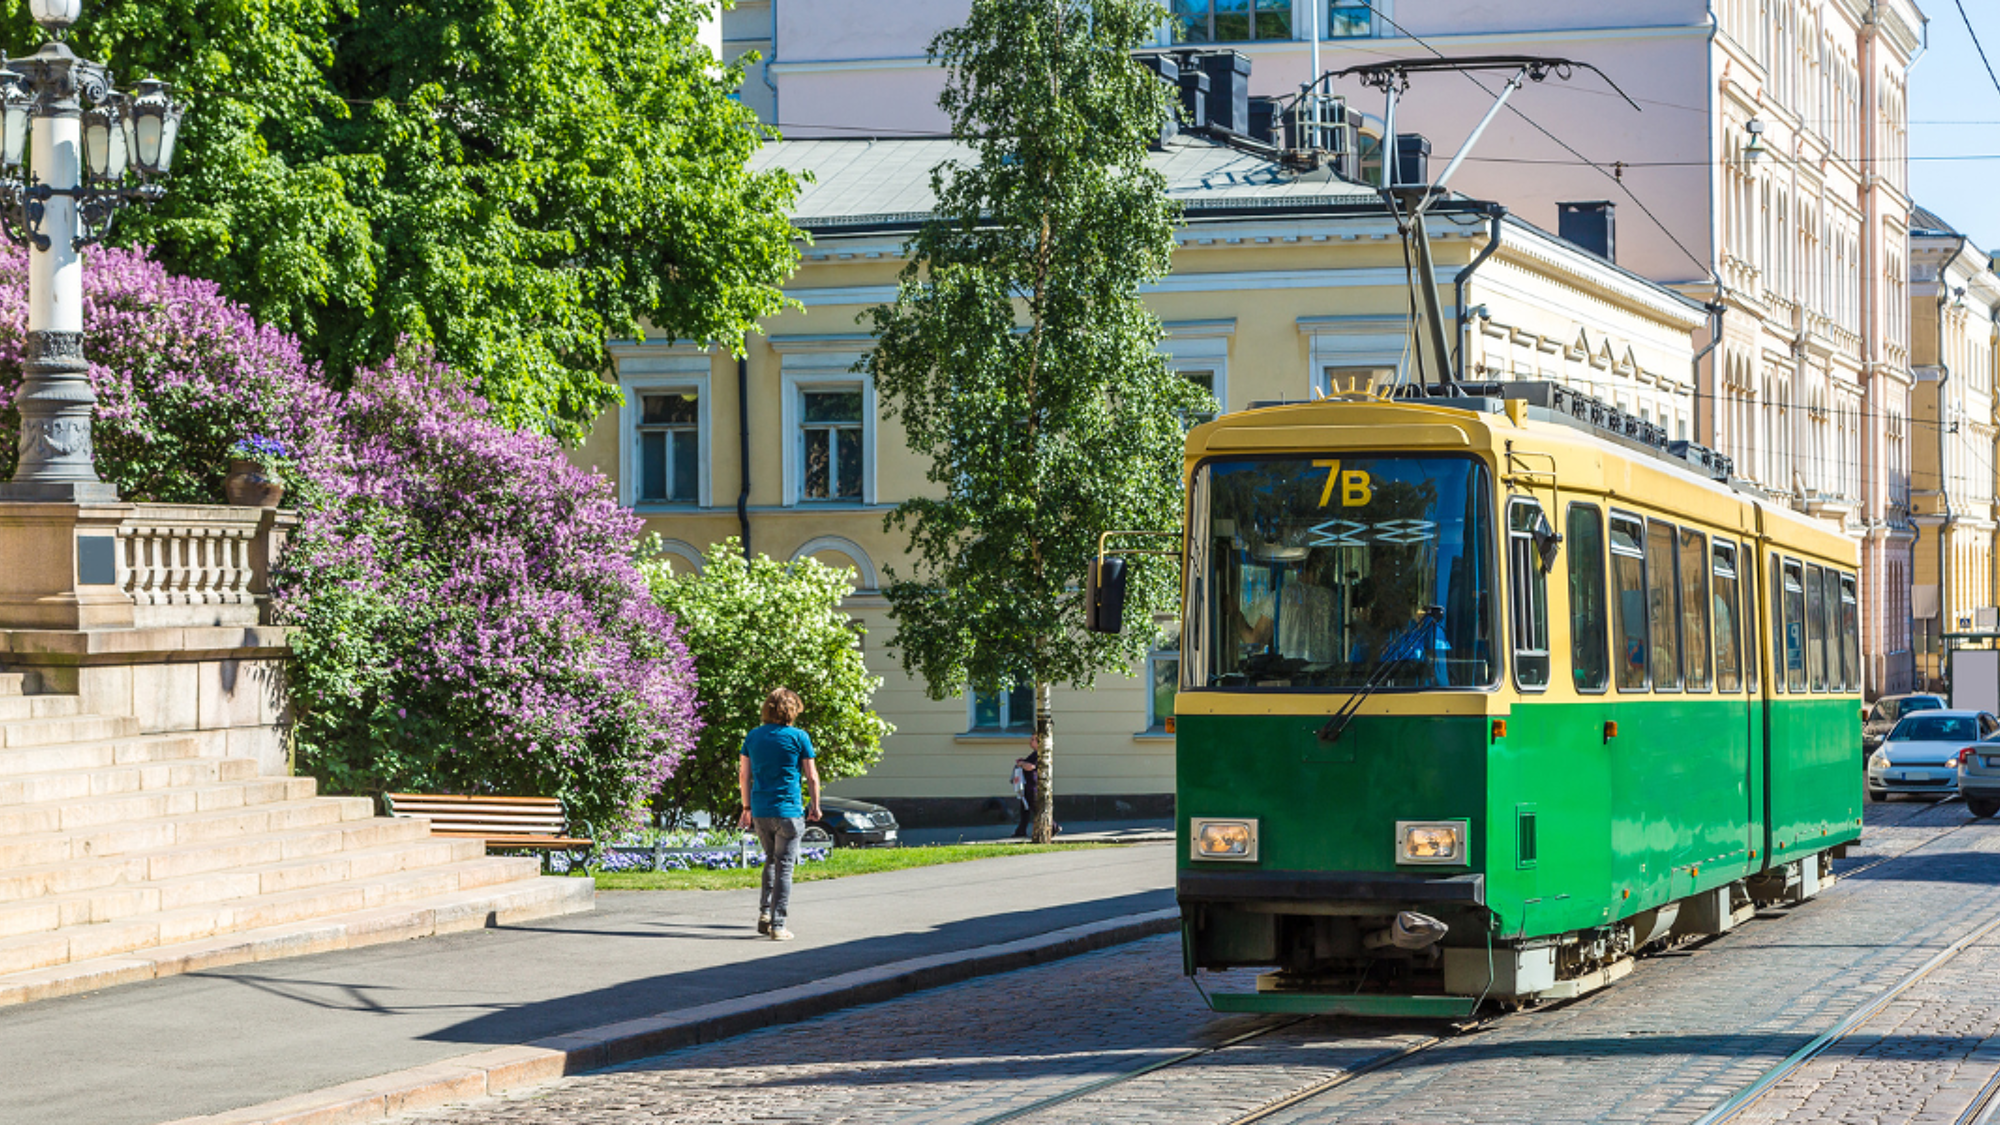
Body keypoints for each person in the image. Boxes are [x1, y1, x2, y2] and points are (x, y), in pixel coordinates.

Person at [738, 688, 821, 941]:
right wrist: (815, 805)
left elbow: (743, 775)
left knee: (770, 861)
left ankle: (765, 913)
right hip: (789, 811)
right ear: (792, 710)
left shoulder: (753, 736)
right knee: (784, 866)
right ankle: (778, 925)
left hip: (761, 810)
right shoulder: (799, 737)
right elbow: (812, 776)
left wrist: (746, 808)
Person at [1010, 754, 1036, 838]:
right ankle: (1021, 830)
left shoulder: (1039, 754)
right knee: (1025, 809)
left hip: (1032, 786)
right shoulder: (1034, 754)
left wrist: (1021, 763)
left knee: (1034, 807)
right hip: (1026, 785)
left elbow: (1031, 767)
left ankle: (1053, 826)